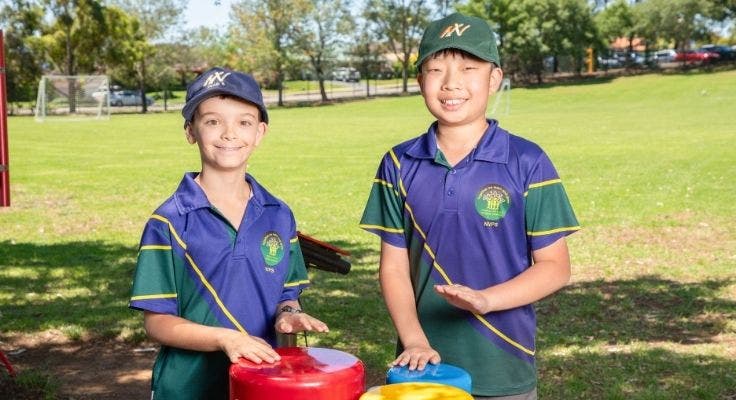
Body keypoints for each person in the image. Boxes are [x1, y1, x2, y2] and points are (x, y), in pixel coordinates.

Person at [359, 13, 580, 399]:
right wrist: (413, 340)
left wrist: (486, 300)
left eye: (468, 67)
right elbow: (393, 266)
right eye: (436, 69)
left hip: (503, 367)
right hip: (422, 369)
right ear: (419, 81)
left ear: (494, 78)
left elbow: (555, 268)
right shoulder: (397, 163)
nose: (451, 83)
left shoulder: (528, 161)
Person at [129, 67, 328, 400]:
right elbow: (156, 323)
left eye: (243, 122)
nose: (229, 134)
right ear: (190, 131)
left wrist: (290, 316)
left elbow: (286, 295)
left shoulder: (278, 215)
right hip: (187, 389)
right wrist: (226, 338)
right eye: (212, 121)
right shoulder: (168, 222)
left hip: (261, 385)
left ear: (260, 132)